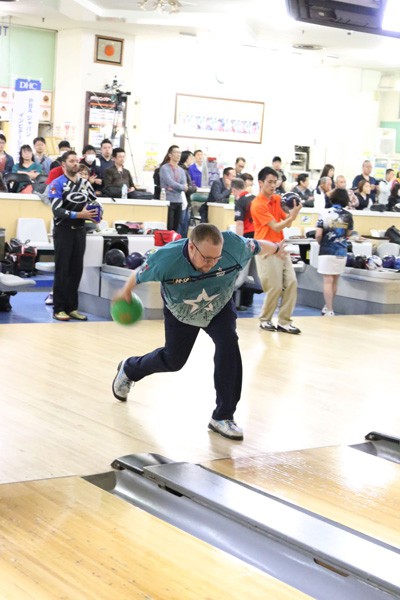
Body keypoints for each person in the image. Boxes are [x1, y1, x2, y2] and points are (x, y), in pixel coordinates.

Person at [111, 223, 287, 440]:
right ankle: (130, 368)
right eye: (206, 258)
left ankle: (223, 416)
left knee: (228, 344)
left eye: (217, 258)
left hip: (219, 305)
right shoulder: (166, 258)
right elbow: (137, 275)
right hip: (182, 311)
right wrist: (126, 293)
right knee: (173, 361)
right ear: (192, 247)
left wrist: (277, 249)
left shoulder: (235, 246)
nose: (211, 264)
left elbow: (258, 245)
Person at [48, 150, 99, 321]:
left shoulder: (85, 184)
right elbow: (57, 210)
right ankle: (59, 308)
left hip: (80, 231)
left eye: (77, 161)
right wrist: (79, 215)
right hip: (63, 230)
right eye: (71, 161)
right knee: (62, 270)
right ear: (63, 164)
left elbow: (94, 202)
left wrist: (96, 214)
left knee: (76, 270)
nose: (75, 163)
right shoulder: (57, 184)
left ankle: (72, 308)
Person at [251, 166, 302, 334]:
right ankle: (265, 319)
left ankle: (284, 321)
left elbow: (286, 222)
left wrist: (293, 214)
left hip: (280, 247)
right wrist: (292, 216)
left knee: (292, 283)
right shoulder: (257, 204)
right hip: (265, 249)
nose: (273, 186)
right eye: (270, 182)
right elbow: (276, 226)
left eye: (275, 182)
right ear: (261, 183)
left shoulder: (277, 199)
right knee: (275, 287)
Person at [315, 188, 353, 317]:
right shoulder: (348, 215)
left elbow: (318, 234)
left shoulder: (324, 213)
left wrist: (321, 243)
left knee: (327, 281)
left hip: (326, 250)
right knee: (335, 280)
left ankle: (330, 309)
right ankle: (327, 307)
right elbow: (349, 233)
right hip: (341, 251)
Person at [159, 145, 187, 231]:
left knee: (176, 228)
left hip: (178, 200)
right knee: (169, 227)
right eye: (176, 152)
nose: (178, 155)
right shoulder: (164, 168)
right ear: (170, 155)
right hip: (168, 200)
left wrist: (176, 187)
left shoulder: (181, 170)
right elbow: (170, 182)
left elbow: (184, 185)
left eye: (179, 153)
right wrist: (181, 187)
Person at [178, 150, 197, 237]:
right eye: (191, 157)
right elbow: (186, 188)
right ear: (186, 158)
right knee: (183, 226)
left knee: (184, 226)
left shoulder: (185, 170)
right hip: (183, 201)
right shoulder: (182, 170)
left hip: (185, 201)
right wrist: (194, 188)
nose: (193, 159)